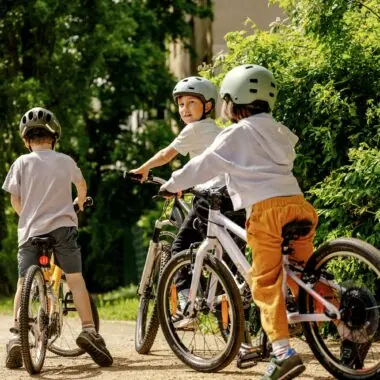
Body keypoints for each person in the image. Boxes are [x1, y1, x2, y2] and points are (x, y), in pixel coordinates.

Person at [159, 64, 318, 379]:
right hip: (298, 205)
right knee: (306, 276)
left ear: (232, 100)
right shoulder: (278, 129)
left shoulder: (235, 132)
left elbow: (205, 164)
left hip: (266, 212)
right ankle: (347, 326)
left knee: (265, 282)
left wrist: (173, 184)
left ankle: (284, 353)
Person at [2, 107, 113, 369]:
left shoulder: (20, 162)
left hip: (30, 232)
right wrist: (80, 203)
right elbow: (82, 185)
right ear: (54, 138)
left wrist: (26, 216)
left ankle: (19, 336)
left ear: (26, 140)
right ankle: (88, 330)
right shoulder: (65, 161)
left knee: (22, 282)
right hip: (63, 229)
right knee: (75, 279)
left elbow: (14, 198)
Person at [130, 77, 236, 327]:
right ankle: (233, 323)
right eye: (180, 104)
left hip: (211, 200)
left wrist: (143, 169)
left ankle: (189, 303)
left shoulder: (195, 129)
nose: (184, 109)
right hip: (234, 197)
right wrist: (187, 183)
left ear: (208, 106)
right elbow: (206, 165)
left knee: (179, 249)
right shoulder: (217, 130)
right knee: (228, 262)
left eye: (191, 103)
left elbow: (167, 154)